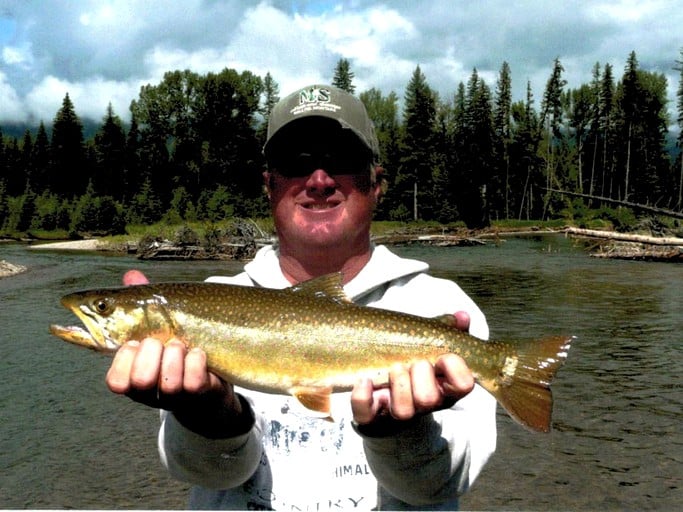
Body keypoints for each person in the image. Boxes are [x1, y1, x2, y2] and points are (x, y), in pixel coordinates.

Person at [106, 84, 497, 510]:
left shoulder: (440, 307)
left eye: (342, 161)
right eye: (297, 163)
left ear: (377, 182)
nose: (319, 181)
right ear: (269, 185)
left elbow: (440, 487)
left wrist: (402, 434)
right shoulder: (209, 305)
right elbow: (208, 475)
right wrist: (210, 415)